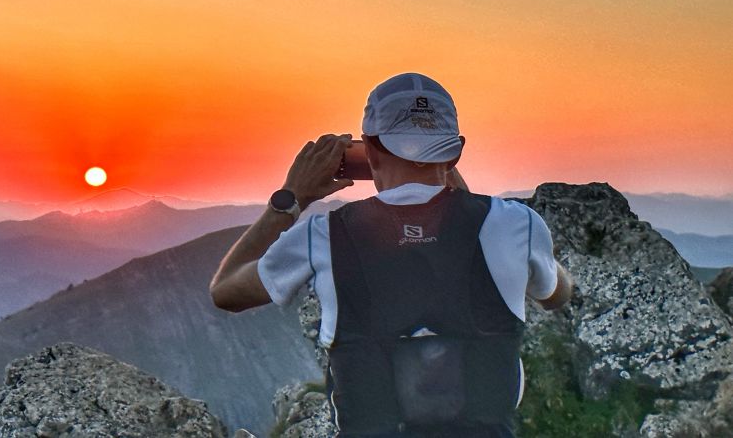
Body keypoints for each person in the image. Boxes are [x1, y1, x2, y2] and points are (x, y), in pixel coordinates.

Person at [210, 72, 573, 438]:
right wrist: (462, 196)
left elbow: (225, 291)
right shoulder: (516, 226)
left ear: (367, 149)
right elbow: (557, 294)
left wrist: (291, 198)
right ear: (455, 150)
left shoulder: (323, 235)